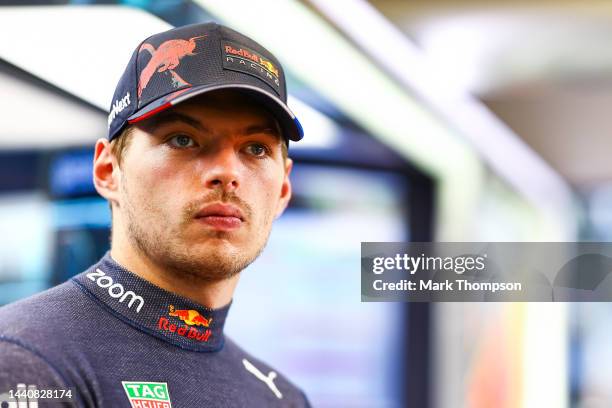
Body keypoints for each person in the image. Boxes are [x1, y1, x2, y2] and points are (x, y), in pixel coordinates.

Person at [0, 22, 310, 407]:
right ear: (108, 171)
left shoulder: (281, 398)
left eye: (256, 149)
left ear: (282, 190)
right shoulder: (26, 362)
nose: (227, 173)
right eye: (183, 139)